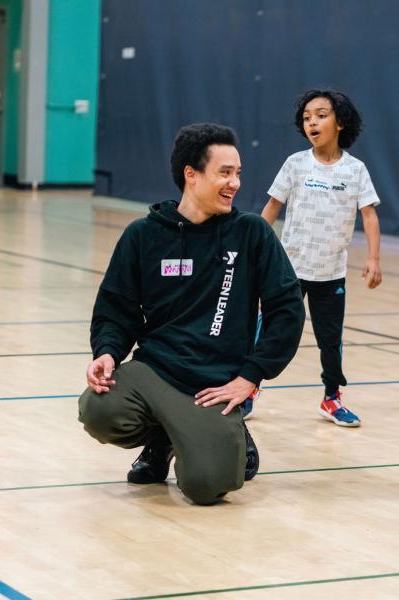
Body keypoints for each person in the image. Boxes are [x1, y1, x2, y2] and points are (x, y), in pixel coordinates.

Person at [78, 123, 305, 505]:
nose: (235, 183)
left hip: (213, 385)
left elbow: (287, 309)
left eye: (238, 173)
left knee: (207, 486)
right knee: (98, 409)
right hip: (155, 371)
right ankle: (161, 438)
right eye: (224, 172)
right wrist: (107, 351)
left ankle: (220, 432)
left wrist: (251, 375)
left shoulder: (251, 233)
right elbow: (117, 307)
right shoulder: (143, 236)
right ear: (191, 175)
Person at [255, 89, 382, 427]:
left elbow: (369, 215)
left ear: (340, 122)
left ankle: (331, 398)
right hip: (289, 270)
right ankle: (249, 388)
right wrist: (252, 243)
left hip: (331, 273)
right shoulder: (295, 164)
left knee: (331, 340)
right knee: (270, 330)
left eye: (321, 115)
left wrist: (373, 258)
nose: (312, 121)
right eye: (307, 117)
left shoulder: (355, 170)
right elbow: (272, 207)